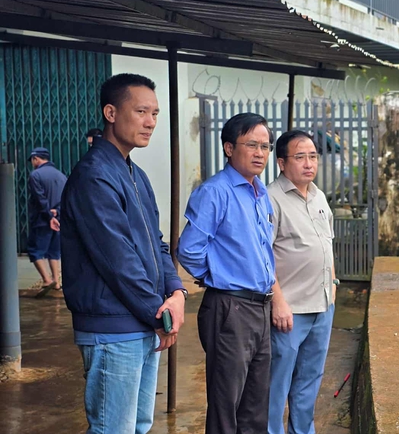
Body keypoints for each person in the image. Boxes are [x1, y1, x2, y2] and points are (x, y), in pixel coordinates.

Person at [60, 73, 187, 434]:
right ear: (111, 112)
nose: (150, 122)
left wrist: (176, 293)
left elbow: (157, 244)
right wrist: (157, 313)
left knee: (138, 426)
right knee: (112, 429)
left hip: (142, 323)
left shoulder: (136, 175)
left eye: (156, 114)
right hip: (112, 327)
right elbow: (118, 260)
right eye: (142, 111)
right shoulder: (94, 176)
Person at [177, 112, 276, 434]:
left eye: (265, 146)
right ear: (229, 148)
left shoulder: (260, 192)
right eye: (252, 145)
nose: (260, 153)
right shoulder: (215, 192)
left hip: (261, 306)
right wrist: (218, 277)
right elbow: (189, 250)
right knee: (226, 405)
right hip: (230, 307)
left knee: (255, 405)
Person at [267, 130, 337, 434]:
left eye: (313, 156)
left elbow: (327, 243)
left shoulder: (318, 195)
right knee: (275, 384)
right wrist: (277, 300)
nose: (309, 163)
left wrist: (333, 282)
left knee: (310, 381)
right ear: (282, 162)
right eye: (300, 157)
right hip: (289, 311)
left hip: (323, 305)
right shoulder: (270, 199)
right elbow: (263, 255)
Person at [26, 147, 67, 297]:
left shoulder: (36, 175)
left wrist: (49, 216)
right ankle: (57, 281)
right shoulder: (61, 176)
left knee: (35, 251)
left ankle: (46, 279)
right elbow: (66, 197)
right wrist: (57, 213)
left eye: (32, 160)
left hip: (42, 220)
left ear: (36, 159)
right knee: (54, 251)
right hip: (59, 219)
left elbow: (40, 198)